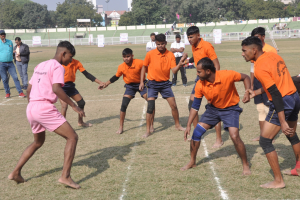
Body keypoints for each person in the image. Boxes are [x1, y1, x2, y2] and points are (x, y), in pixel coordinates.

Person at [8, 41, 84, 189]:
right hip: (43, 108)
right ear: (63, 53)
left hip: (32, 108)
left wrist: (32, 105)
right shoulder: (57, 66)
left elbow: (29, 89)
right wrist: (74, 106)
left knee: (38, 142)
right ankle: (65, 177)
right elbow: (56, 89)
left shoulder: (41, 65)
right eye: (70, 56)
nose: (70, 60)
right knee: (72, 137)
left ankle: (15, 173)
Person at [242, 36, 300, 189]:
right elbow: (277, 82)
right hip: (294, 97)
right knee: (291, 134)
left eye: (244, 50)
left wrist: (282, 121)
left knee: (265, 141)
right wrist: (256, 92)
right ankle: (299, 168)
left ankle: (278, 181)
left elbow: (275, 94)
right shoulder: (274, 55)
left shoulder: (260, 66)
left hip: (283, 101)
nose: (242, 54)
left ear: (254, 50)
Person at [181, 57, 251, 176]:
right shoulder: (200, 84)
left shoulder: (227, 75)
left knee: (234, 136)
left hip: (231, 109)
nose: (197, 74)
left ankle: (245, 164)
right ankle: (192, 162)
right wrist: (188, 125)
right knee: (196, 133)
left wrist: (247, 91)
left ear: (208, 71)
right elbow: (195, 106)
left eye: (199, 72)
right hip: (213, 109)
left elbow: (246, 77)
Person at [139, 33, 186, 138]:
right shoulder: (150, 54)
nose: (160, 46)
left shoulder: (170, 54)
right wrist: (142, 82)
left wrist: (180, 65)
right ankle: (148, 130)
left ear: (165, 43)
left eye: (162, 44)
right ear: (156, 43)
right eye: (158, 44)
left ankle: (177, 125)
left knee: (173, 105)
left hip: (165, 84)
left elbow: (174, 70)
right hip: (152, 83)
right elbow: (143, 67)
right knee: (150, 107)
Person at [101, 48, 153, 134]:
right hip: (130, 86)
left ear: (132, 56)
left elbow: (149, 71)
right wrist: (106, 84)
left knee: (151, 102)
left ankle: (151, 125)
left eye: (128, 56)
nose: (126, 58)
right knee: (124, 104)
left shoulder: (140, 62)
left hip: (141, 84)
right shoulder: (121, 66)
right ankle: (121, 127)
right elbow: (116, 77)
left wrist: (148, 83)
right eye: (124, 57)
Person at [186, 26, 222, 148]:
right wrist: (187, 61)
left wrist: (213, 81)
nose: (189, 39)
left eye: (191, 37)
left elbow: (217, 65)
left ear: (198, 35)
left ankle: (219, 139)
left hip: (210, 78)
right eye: (188, 37)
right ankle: (197, 131)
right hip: (199, 78)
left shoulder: (207, 46)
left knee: (213, 107)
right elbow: (196, 58)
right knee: (192, 103)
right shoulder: (193, 46)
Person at [249, 27, 278, 141]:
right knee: (260, 109)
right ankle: (262, 135)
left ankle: (270, 135)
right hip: (257, 81)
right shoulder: (253, 49)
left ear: (263, 37)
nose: (255, 40)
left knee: (268, 108)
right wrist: (251, 84)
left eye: (257, 37)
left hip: (268, 80)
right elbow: (252, 67)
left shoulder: (271, 50)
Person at [60, 58, 104, 127]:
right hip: (60, 86)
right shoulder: (60, 62)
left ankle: (80, 122)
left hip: (70, 85)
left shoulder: (76, 62)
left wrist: (100, 82)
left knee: (81, 103)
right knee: (64, 105)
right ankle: (61, 126)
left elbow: (86, 74)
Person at [0, 30, 25, 98]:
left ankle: (20, 92)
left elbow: (11, 52)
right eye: (1, 34)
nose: (3, 35)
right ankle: (7, 93)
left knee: (15, 77)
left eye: (4, 34)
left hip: (10, 63)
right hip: (2, 64)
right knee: (4, 79)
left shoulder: (9, 42)